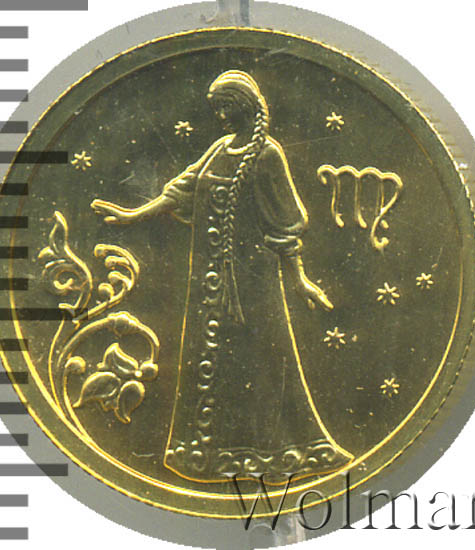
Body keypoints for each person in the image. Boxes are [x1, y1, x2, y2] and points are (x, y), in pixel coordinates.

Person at [92, 70, 353, 482]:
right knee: (211, 359)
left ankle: (277, 454)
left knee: (263, 359)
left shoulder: (267, 154)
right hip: (209, 286)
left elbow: (286, 223)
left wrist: (299, 279)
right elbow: (181, 190)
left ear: (246, 105)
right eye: (217, 109)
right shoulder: (219, 148)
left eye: (226, 107)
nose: (221, 116)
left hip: (255, 284)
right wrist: (133, 216)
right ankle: (210, 456)